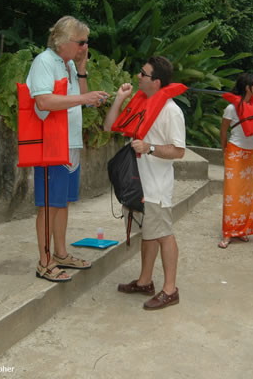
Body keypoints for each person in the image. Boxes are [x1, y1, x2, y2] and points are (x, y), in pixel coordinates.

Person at [27, 16, 109, 282]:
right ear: (64, 41)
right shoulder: (44, 62)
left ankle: (60, 253)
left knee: (62, 203)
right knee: (49, 205)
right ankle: (45, 261)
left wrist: (82, 70)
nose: (85, 46)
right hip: (52, 143)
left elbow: (81, 101)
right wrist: (83, 97)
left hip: (70, 143)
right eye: (81, 42)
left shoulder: (69, 64)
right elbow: (43, 101)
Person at [104, 56, 186, 310]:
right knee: (148, 234)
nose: (138, 76)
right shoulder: (143, 104)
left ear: (157, 81)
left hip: (156, 187)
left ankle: (170, 289)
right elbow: (109, 127)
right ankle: (144, 281)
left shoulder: (171, 111)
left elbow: (179, 151)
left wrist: (149, 148)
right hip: (138, 185)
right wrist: (120, 98)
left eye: (144, 74)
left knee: (163, 234)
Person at [218, 73, 253, 248]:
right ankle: (229, 232)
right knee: (232, 194)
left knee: (246, 194)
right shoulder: (231, 108)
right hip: (235, 152)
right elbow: (223, 131)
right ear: (248, 87)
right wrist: (224, 150)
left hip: (249, 154)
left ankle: (242, 230)